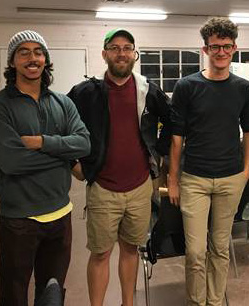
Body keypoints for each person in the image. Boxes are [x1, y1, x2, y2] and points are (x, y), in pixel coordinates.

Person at [0, 30, 90, 306]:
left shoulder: (63, 103)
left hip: (61, 216)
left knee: (52, 293)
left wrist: (42, 142)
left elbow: (85, 143)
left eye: (38, 52)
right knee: (13, 294)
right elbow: (12, 162)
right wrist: (64, 154)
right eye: (24, 52)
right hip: (19, 221)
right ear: (13, 62)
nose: (33, 58)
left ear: (46, 59)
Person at [67, 28, 171, 306]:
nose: (121, 53)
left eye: (127, 47)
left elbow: (173, 122)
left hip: (139, 187)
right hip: (102, 187)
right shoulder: (85, 92)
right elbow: (61, 125)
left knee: (130, 249)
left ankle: (128, 303)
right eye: (114, 47)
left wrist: (158, 153)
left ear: (134, 54)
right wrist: (73, 164)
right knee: (100, 253)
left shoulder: (148, 90)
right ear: (104, 54)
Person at [168, 17, 249, 306]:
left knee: (220, 248)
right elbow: (176, 138)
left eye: (226, 46)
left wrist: (245, 172)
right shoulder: (186, 86)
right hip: (194, 179)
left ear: (235, 48)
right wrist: (173, 180)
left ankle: (216, 301)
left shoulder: (243, 88)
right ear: (205, 49)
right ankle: (197, 302)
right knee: (195, 251)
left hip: (231, 178)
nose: (221, 52)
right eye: (215, 47)